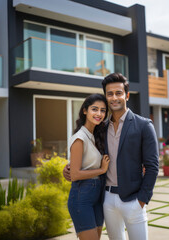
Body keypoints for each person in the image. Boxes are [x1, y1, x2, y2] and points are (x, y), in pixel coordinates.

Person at [64, 73, 159, 240]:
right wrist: (69, 168)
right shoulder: (101, 128)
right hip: (106, 200)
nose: (114, 98)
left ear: (127, 95)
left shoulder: (144, 125)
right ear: (106, 97)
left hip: (133, 201)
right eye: (109, 94)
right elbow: (87, 154)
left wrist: (142, 201)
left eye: (118, 93)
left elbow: (152, 167)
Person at [67, 93, 111, 240]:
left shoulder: (96, 135)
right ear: (85, 110)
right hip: (82, 197)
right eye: (94, 109)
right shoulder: (79, 138)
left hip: (98, 196)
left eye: (103, 110)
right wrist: (102, 170)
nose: (99, 114)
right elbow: (75, 175)